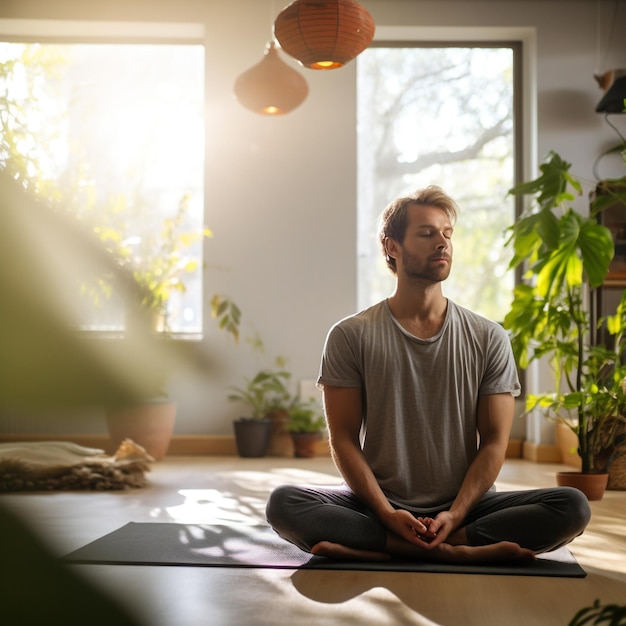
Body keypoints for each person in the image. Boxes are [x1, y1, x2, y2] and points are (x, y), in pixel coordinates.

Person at [266, 185, 591, 565]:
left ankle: (394, 547)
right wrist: (387, 514)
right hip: (376, 505)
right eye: (427, 233)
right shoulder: (350, 335)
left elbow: (494, 442)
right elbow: (343, 439)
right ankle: (456, 551)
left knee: (572, 505)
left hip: (467, 506)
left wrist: (453, 516)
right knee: (285, 503)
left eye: (447, 234)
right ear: (392, 247)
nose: (443, 243)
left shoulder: (489, 336)